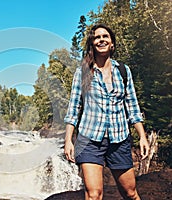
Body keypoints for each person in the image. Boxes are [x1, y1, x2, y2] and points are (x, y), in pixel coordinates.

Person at [64, 24, 150, 200]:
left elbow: (132, 106)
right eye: (97, 37)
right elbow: (74, 108)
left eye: (105, 36)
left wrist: (142, 136)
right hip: (89, 140)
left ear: (112, 44)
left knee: (130, 193)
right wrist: (68, 140)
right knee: (94, 194)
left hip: (119, 139)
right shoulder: (82, 72)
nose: (101, 39)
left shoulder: (123, 71)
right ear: (92, 43)